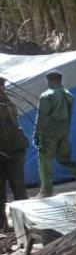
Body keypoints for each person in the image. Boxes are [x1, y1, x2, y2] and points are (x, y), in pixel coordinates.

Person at [34, 71, 76, 197]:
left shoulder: (46, 96)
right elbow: (70, 116)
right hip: (64, 132)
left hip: (49, 134)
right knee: (64, 158)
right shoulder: (68, 95)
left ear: (50, 81)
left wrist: (37, 135)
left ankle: (46, 191)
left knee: (45, 160)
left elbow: (42, 118)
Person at [0, 76, 28, 232]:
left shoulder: (7, 103)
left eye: (3, 85)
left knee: (18, 188)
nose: (2, 87)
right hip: (1, 154)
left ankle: (24, 222)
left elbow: (9, 114)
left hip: (15, 153)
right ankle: (3, 225)